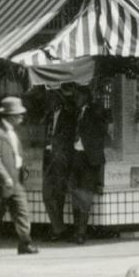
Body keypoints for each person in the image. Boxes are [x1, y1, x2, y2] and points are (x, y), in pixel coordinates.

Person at [0, 97, 39, 256]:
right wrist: (5, 177)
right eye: (19, 114)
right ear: (10, 116)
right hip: (0, 184)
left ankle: (25, 243)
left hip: (15, 180)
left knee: (22, 212)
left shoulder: (12, 133)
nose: (21, 117)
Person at [68, 91, 108, 244]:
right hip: (76, 156)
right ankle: (76, 230)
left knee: (84, 196)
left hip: (89, 158)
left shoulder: (93, 112)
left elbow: (102, 129)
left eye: (78, 95)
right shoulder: (77, 113)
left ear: (86, 97)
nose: (76, 98)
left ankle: (81, 233)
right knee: (75, 195)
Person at [41, 87, 77, 241]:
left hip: (61, 159)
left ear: (58, 99)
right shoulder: (49, 116)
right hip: (49, 158)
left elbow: (67, 138)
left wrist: (54, 145)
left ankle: (58, 229)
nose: (48, 101)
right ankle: (59, 227)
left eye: (51, 98)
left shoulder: (67, 116)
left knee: (58, 194)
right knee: (47, 193)